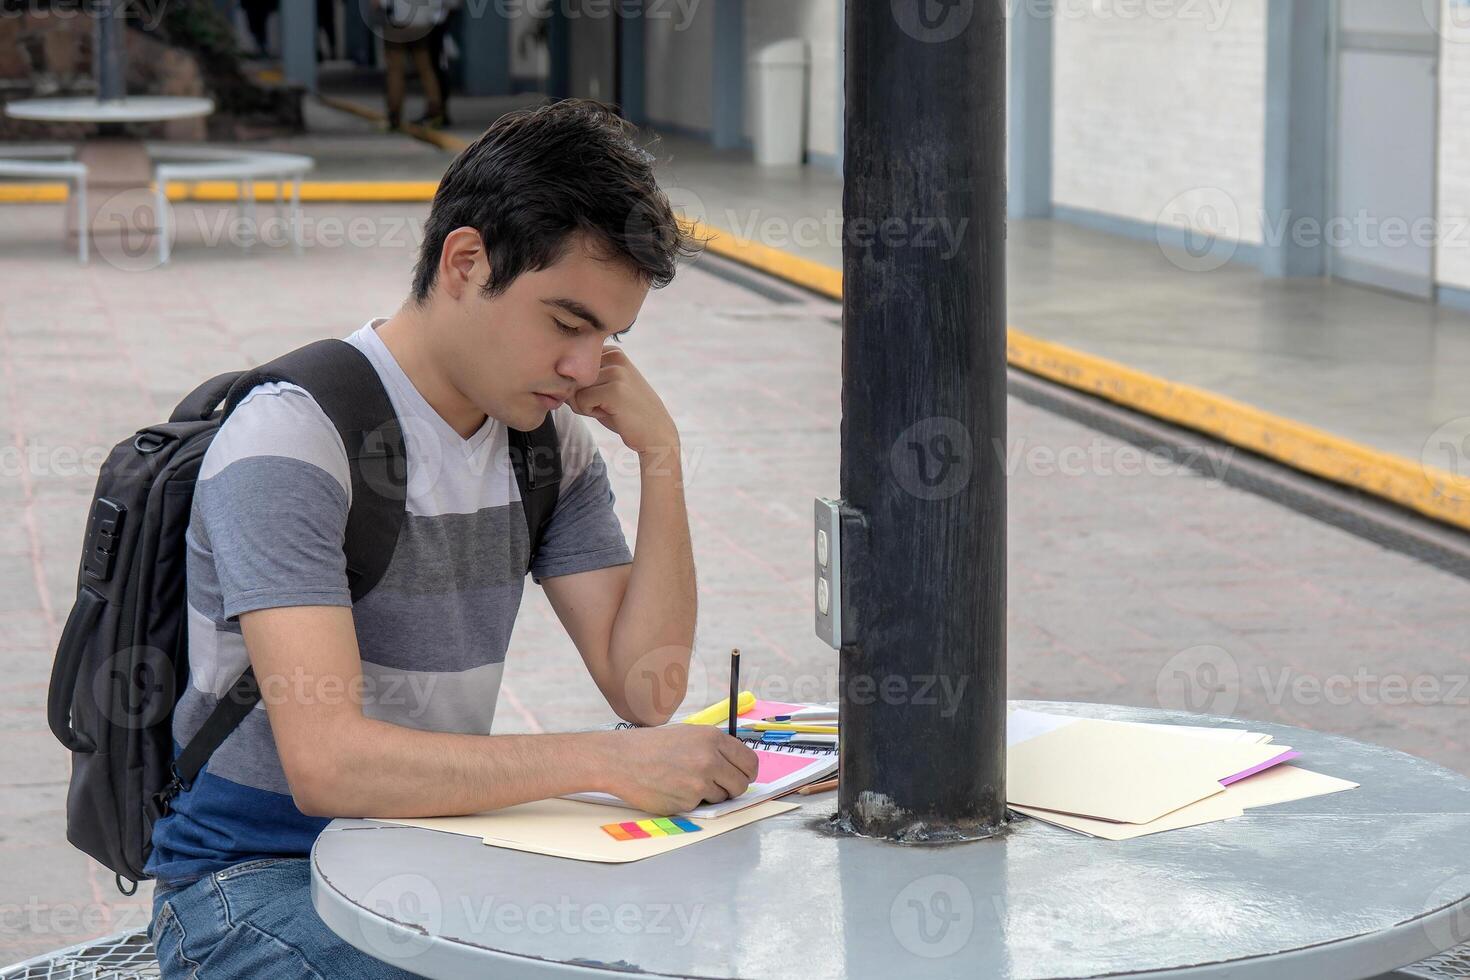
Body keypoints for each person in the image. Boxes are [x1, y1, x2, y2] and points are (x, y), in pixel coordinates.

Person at [145, 100, 753, 978]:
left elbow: (647, 685)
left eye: (610, 338)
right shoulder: (297, 437)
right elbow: (329, 766)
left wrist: (663, 456)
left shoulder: (546, 448)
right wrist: (606, 761)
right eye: (566, 323)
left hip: (427, 857)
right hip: (253, 883)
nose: (586, 368)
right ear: (466, 262)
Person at [374, 0, 446, 129]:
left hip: (397, 23)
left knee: (395, 70)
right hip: (422, 23)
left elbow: (379, 3)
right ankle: (435, 112)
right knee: (425, 68)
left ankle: (394, 116)